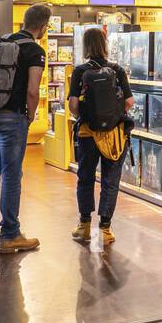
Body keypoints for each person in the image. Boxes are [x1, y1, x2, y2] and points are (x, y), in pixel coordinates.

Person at [0, 4, 48, 253]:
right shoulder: (34, 50)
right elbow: (32, 89)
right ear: (43, 27)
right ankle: (10, 234)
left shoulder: (2, 42)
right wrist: (29, 117)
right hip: (11, 118)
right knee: (11, 174)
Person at [67, 26, 134, 246]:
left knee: (85, 177)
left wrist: (84, 117)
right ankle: (105, 229)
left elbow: (74, 104)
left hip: (88, 133)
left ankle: (84, 226)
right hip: (114, 135)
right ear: (105, 45)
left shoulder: (79, 71)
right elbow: (129, 102)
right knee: (110, 180)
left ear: (85, 46)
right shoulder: (117, 69)